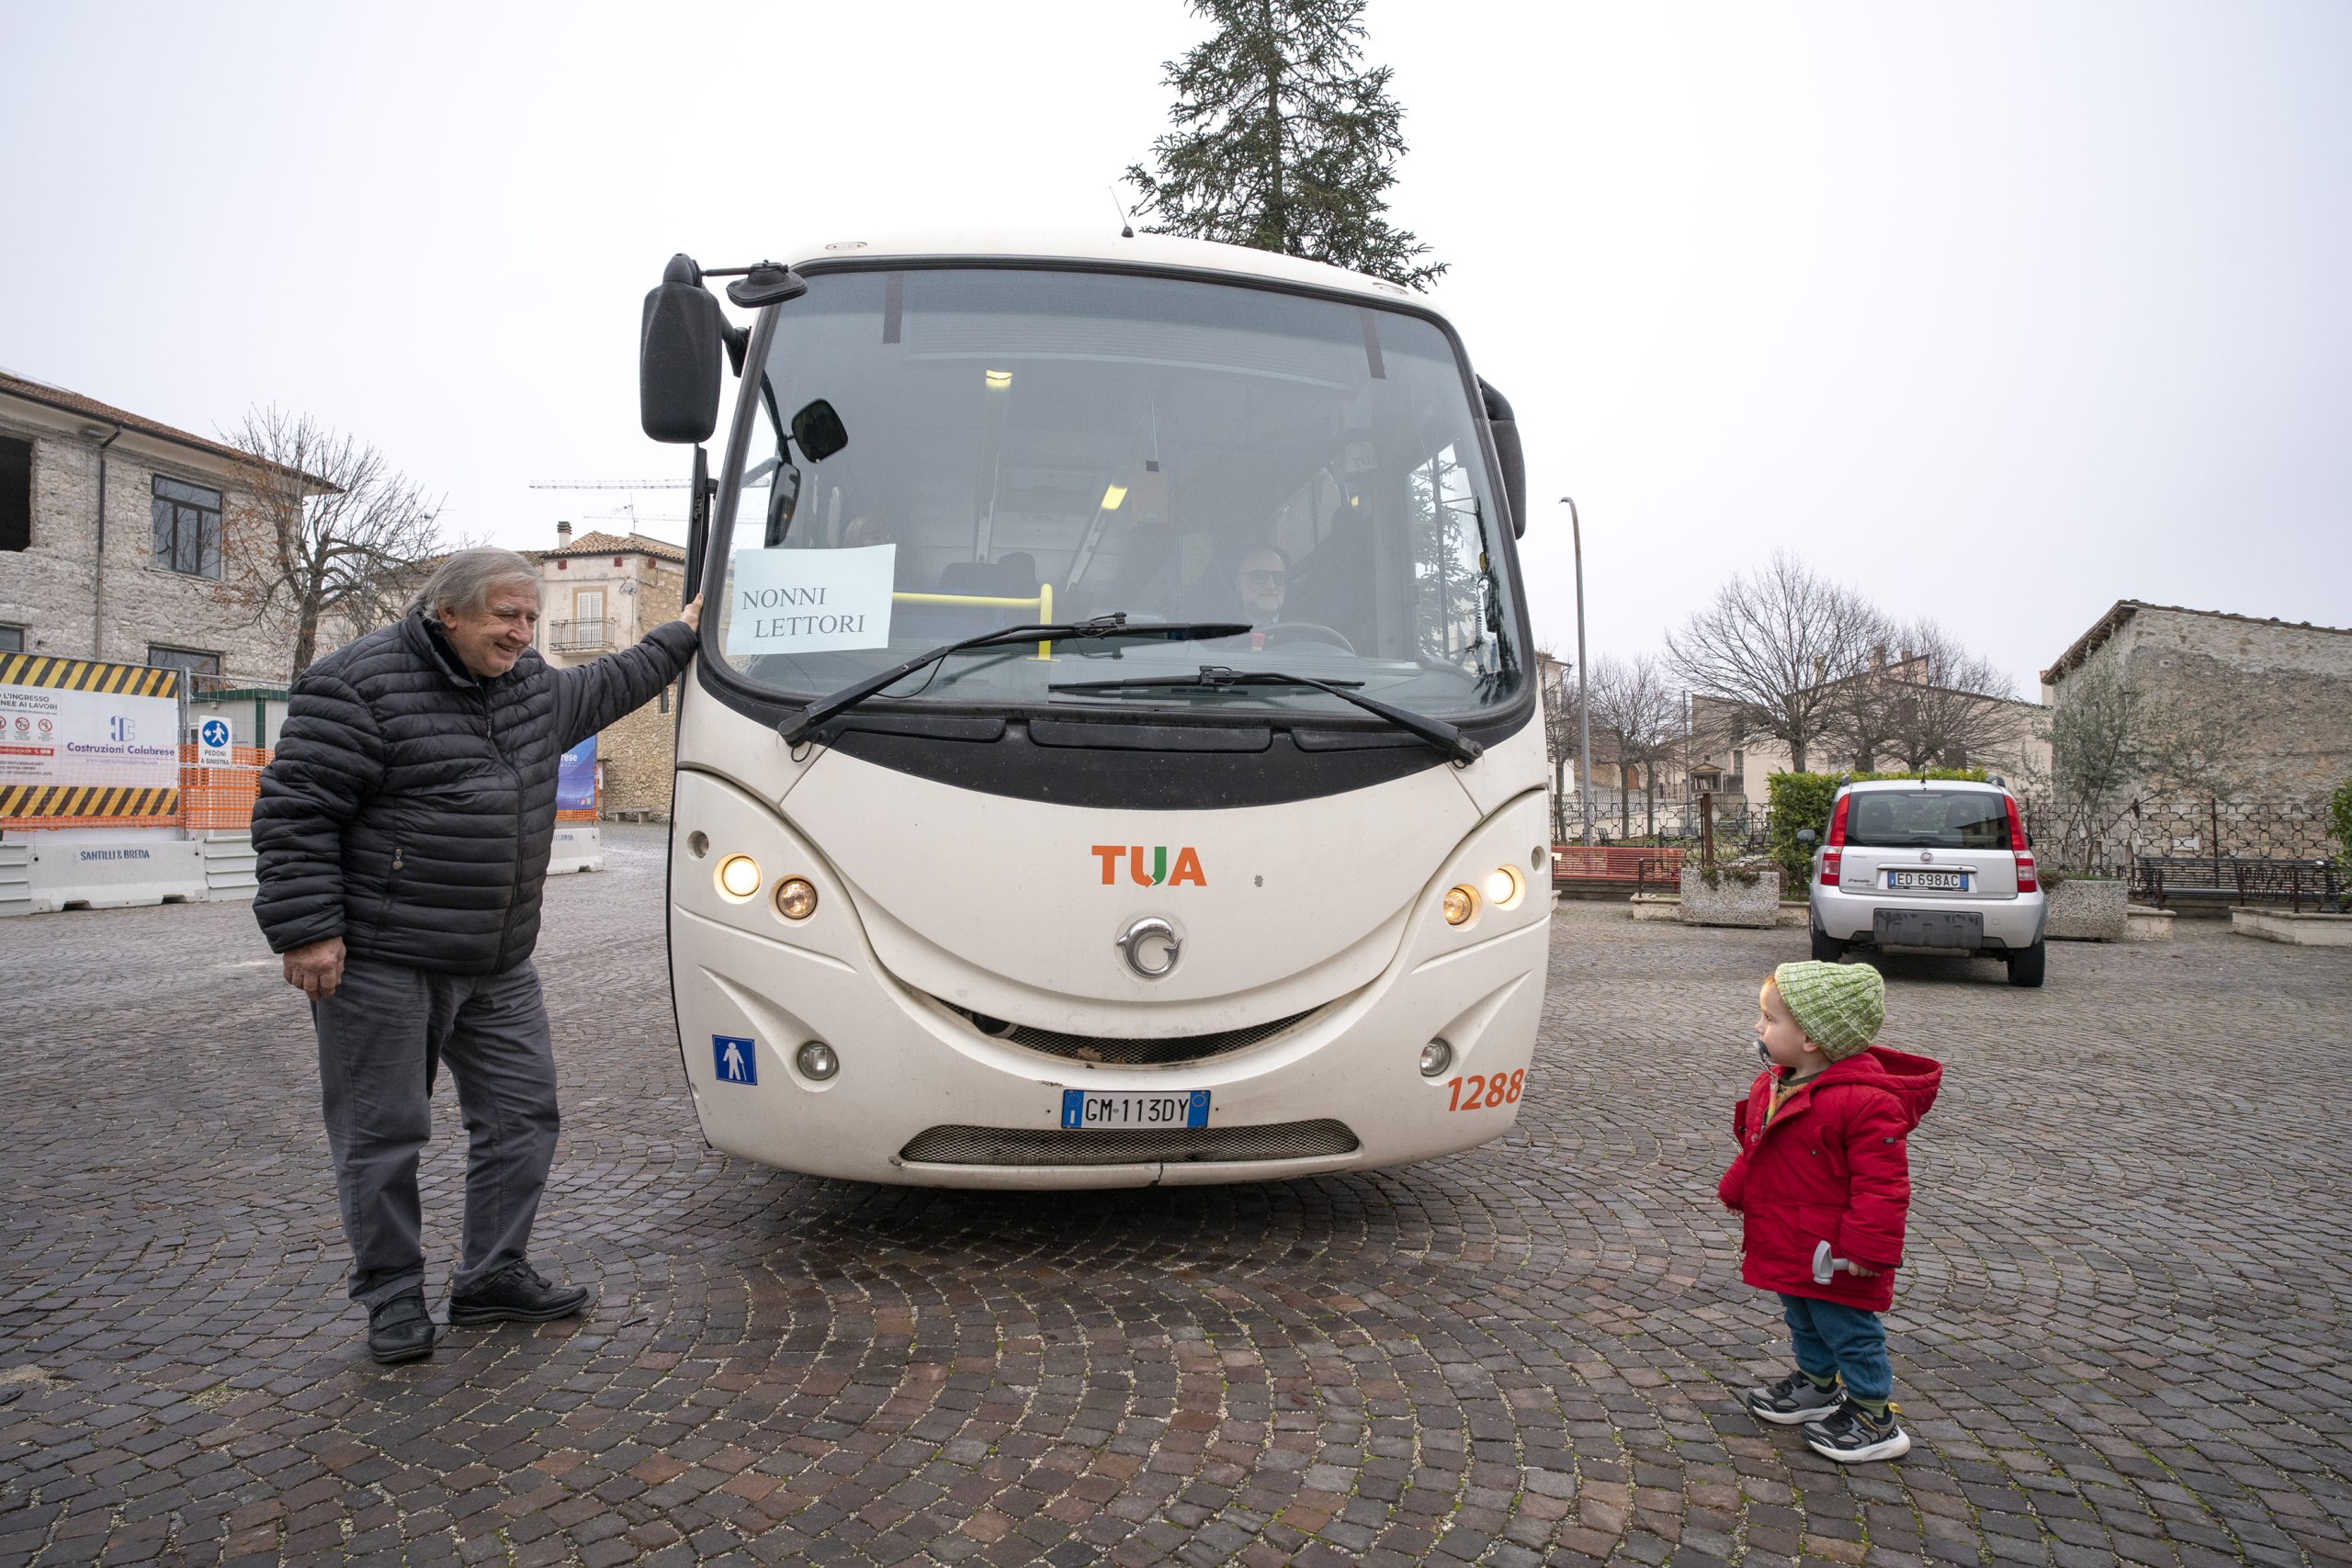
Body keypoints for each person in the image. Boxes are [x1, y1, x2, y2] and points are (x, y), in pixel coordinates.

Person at [251, 548, 703, 1365]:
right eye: (507, 615)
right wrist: (307, 929)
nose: (523, 632)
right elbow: (295, 811)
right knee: (383, 1134)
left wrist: (684, 632)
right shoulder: (356, 684)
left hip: (498, 960)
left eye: (532, 617)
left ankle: (491, 1274)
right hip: (386, 959)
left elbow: (615, 680)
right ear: (448, 611)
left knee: (523, 1114)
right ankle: (392, 1295)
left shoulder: (531, 687)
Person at [1717, 961, 1941, 1462]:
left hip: (1834, 1251)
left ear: (1812, 1038)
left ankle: (1874, 1415)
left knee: (1847, 1327)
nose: (1758, 1026)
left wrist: (1867, 1249)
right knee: (1801, 1314)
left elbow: (1882, 1185)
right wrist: (1736, 1190)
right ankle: (1818, 1382)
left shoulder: (1866, 1102)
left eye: (1770, 1019)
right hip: (1789, 1234)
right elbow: (1759, 1148)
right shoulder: (1775, 1084)